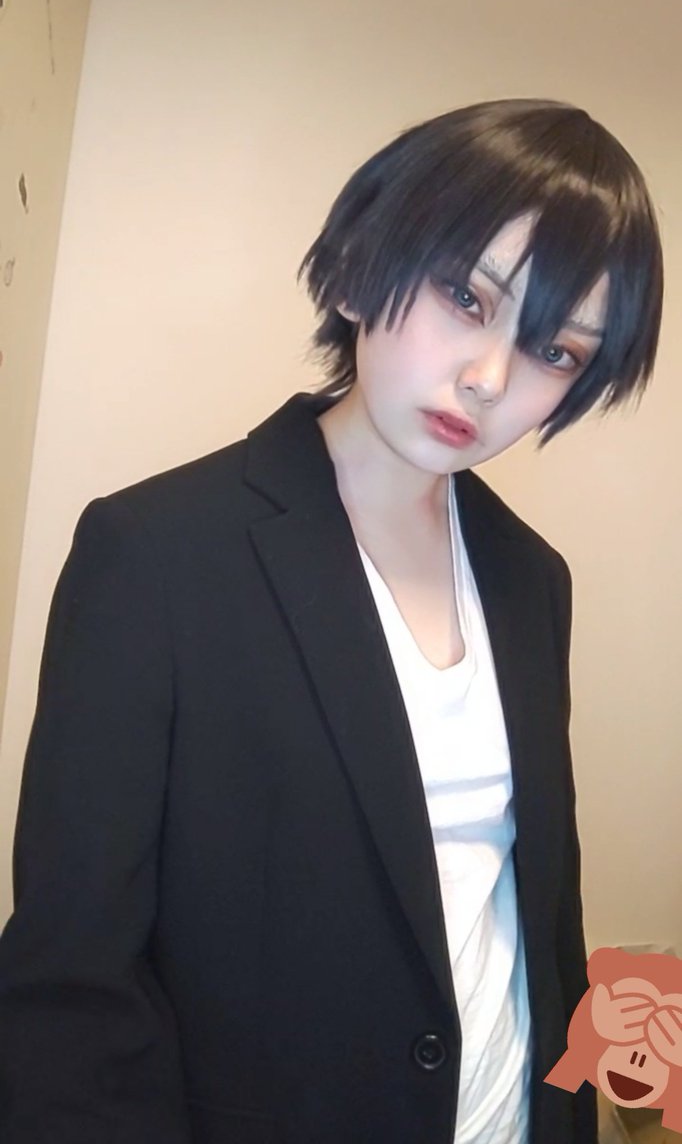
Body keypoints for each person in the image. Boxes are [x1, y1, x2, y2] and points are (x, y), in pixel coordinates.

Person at [0, 97, 663, 1144]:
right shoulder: (157, 553)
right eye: (466, 297)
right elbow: (73, 986)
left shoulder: (532, 580)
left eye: (556, 351)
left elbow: (540, 914)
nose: (489, 379)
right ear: (358, 267)